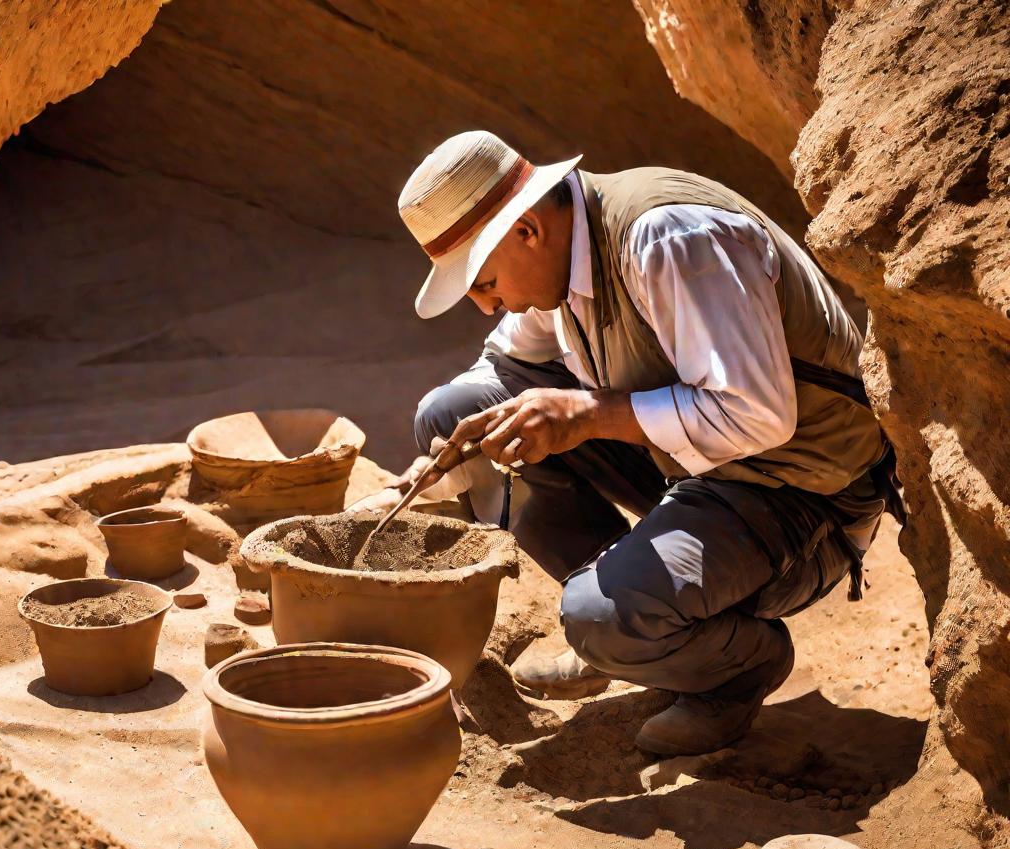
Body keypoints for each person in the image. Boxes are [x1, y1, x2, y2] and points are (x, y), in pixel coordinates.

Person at [354, 130, 901, 757]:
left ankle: (725, 666)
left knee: (599, 618)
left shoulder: (669, 241)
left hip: (802, 495)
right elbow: (500, 372)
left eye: (482, 283)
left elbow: (759, 418)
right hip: (701, 470)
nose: (486, 306)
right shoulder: (562, 250)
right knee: (455, 413)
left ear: (526, 230)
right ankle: (640, 629)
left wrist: (586, 415)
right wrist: (446, 455)